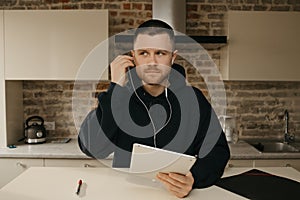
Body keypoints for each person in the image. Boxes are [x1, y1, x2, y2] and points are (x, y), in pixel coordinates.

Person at [78, 19, 230, 198]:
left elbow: (218, 151)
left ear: (172, 58)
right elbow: (92, 148)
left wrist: (193, 178)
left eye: (160, 53)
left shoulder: (193, 99)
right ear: (133, 57)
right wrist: (115, 90)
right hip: (126, 194)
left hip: (174, 196)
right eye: (144, 53)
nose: (152, 62)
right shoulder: (119, 98)